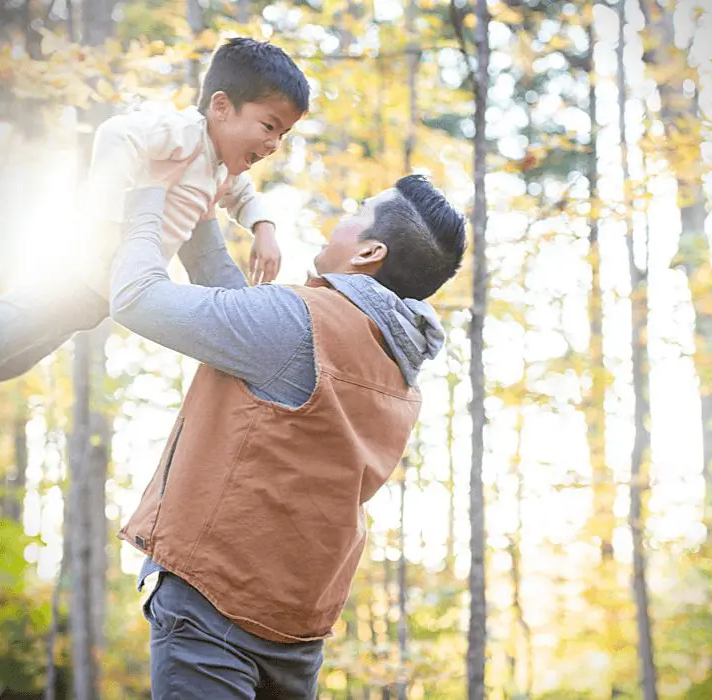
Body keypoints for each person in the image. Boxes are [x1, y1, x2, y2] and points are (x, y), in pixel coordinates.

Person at [111, 168, 466, 698]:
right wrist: (200, 213)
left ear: (369, 253)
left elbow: (136, 297)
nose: (339, 221)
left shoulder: (297, 321)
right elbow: (239, 321)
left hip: (212, 606)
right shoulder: (398, 368)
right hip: (297, 629)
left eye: (356, 212)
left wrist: (145, 193)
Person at [0, 37, 307, 381]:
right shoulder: (186, 134)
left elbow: (243, 195)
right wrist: (105, 222)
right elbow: (117, 134)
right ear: (221, 107)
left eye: (282, 135)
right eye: (269, 126)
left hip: (94, 299)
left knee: (0, 366)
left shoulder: (219, 168)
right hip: (76, 275)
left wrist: (264, 227)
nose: (273, 144)